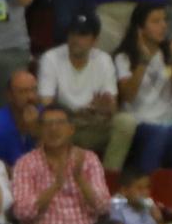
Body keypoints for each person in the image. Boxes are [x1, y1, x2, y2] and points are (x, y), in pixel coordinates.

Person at [12, 104, 113, 224]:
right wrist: (55, 186)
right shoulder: (26, 163)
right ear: (40, 130)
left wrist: (80, 180)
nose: (53, 129)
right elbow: (22, 212)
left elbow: (103, 206)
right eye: (47, 124)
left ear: (71, 129)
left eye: (59, 123)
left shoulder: (88, 159)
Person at [111, 2, 172, 170]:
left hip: (168, 122)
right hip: (138, 123)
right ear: (140, 28)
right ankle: (145, 186)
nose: (163, 25)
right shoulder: (124, 56)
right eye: (156, 21)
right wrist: (143, 61)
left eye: (164, 20)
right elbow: (128, 95)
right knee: (159, 134)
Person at [39, 14, 118, 155]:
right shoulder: (51, 58)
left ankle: (109, 173)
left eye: (83, 35)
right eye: (72, 34)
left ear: (95, 40)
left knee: (126, 123)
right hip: (66, 122)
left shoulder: (104, 59)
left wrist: (106, 107)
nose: (75, 39)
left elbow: (111, 105)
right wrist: (73, 114)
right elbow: (46, 104)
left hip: (94, 122)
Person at [0, 66, 38, 166]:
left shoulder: (48, 117)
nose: (30, 96)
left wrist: (35, 131)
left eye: (33, 90)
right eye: (23, 91)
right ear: (9, 95)